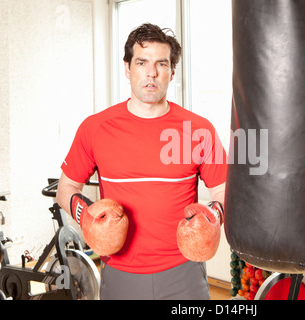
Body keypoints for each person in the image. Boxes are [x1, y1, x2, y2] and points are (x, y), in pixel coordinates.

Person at [56, 23, 227, 300]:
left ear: (172, 72)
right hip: (120, 272)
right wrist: (84, 216)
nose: (151, 73)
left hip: (184, 271)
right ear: (127, 68)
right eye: (141, 62)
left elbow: (223, 191)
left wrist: (214, 216)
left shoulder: (199, 129)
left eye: (161, 63)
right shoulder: (95, 128)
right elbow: (66, 189)